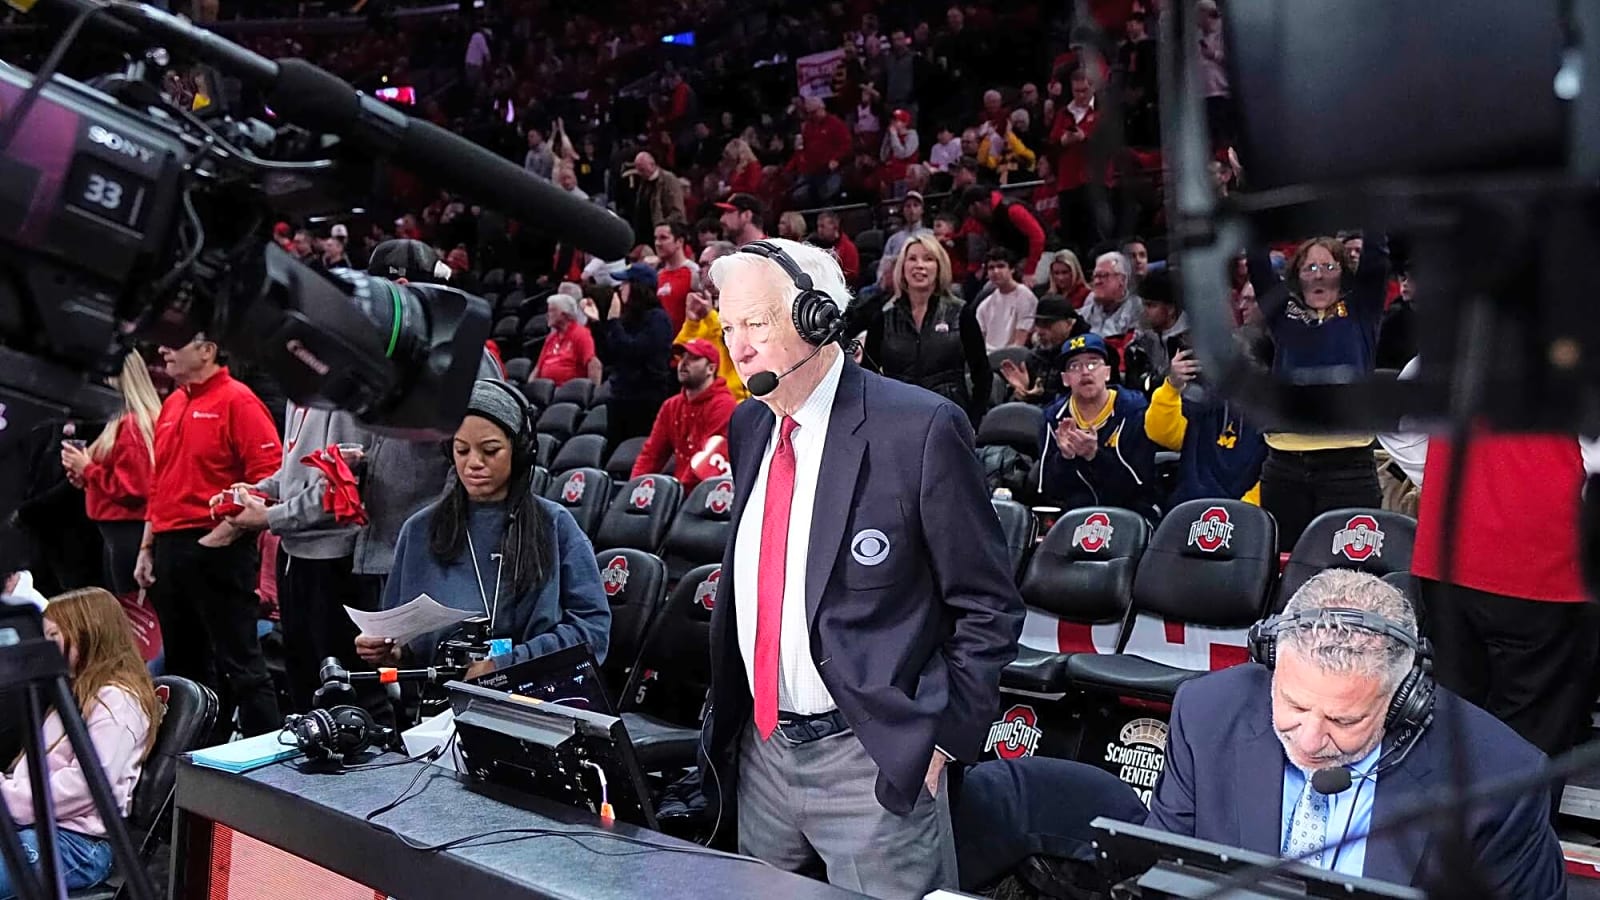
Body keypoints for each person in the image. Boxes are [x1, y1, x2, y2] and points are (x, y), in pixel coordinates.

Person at [702, 238, 1024, 898]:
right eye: (728, 326)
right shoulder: (748, 427)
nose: (738, 345)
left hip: (872, 759)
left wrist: (942, 742)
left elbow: (988, 603)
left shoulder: (920, 428)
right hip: (761, 752)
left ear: (818, 317)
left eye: (756, 323)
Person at [1146, 571, 1565, 898]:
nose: (1309, 742)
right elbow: (1161, 876)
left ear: (1405, 700)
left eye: (1344, 722)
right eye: (1294, 705)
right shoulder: (1206, 715)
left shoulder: (1503, 781)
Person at [355, 381, 610, 676]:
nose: (473, 463)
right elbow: (406, 651)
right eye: (461, 450)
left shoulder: (555, 524)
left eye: (490, 451)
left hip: (534, 699)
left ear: (520, 451)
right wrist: (391, 653)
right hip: (440, 706)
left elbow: (592, 631)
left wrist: (505, 665)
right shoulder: (419, 531)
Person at [1413, 430, 1600, 766]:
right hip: (1543, 561)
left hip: (1448, 556)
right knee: (1531, 739)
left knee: (1452, 723)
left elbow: (1398, 422)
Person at [135, 333, 281, 739]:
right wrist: (147, 547)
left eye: (174, 342)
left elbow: (269, 478)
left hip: (218, 548)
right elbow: (159, 480)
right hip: (169, 547)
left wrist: (224, 534)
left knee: (241, 665)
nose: (162, 348)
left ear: (207, 349)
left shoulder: (239, 401)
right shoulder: (173, 403)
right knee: (183, 667)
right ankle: (191, 762)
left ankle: (265, 769)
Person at [0, 588, 162, 898]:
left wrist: (9, 799)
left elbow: (86, 785)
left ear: (89, 631)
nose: (43, 646)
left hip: (78, 843)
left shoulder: (118, 701)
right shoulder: (75, 692)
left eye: (53, 635)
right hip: (42, 826)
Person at [1248, 234, 1388, 551]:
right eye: (1309, 267)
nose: (1319, 274)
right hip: (1285, 465)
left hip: (1348, 468)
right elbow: (1258, 262)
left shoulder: (1361, 310)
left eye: (1328, 265)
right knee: (1282, 561)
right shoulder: (1282, 313)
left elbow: (1377, 258)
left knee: (1350, 567)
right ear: (1297, 275)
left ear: (1344, 272)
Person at [863, 234, 990, 426]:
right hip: (898, 419)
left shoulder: (961, 313)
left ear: (939, 267)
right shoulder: (883, 317)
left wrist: (973, 421)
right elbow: (867, 377)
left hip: (949, 419)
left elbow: (982, 374)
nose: (919, 265)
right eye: (912, 259)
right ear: (902, 267)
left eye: (928, 259)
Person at [59, 352, 158, 597]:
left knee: (130, 611)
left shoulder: (133, 426)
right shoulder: (122, 421)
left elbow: (135, 490)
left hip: (128, 532)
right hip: (117, 533)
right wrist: (86, 479)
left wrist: (88, 469)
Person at [1037, 333, 1159, 521]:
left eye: (1093, 363)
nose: (1085, 372)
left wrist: (1095, 456)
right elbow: (1046, 488)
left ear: (1108, 372)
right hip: (1073, 517)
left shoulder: (1135, 409)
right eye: (1075, 366)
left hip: (1129, 515)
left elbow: (1141, 484)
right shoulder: (1053, 417)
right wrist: (1065, 458)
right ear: (1065, 379)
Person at [1146, 347, 1267, 505]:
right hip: (1188, 508)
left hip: (1242, 515)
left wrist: (1243, 512)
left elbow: (1273, 477)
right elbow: (1162, 435)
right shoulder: (1202, 400)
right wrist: (1171, 387)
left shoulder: (1272, 414)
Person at [631, 340, 737, 490]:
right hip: (680, 490)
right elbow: (651, 455)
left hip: (709, 494)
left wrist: (676, 496)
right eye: (682, 357)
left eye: (693, 358)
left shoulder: (724, 405)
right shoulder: (671, 406)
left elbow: (707, 464)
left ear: (711, 369)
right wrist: (632, 489)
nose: (684, 363)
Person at [604, 263, 675, 451]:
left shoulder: (658, 319)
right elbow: (611, 353)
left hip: (644, 402)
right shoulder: (628, 319)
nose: (620, 288)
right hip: (621, 398)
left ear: (637, 287)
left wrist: (613, 321)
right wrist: (599, 324)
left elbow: (633, 351)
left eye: (625, 283)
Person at [677, 241, 750, 401]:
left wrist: (709, 316)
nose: (699, 270)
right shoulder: (702, 309)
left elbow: (734, 343)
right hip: (700, 400)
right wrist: (692, 322)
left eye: (705, 265)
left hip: (734, 402)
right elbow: (677, 356)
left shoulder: (745, 303)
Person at [996, 296, 1089, 406]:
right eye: (1038, 324)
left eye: (1047, 325)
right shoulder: (1035, 357)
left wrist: (1039, 398)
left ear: (1069, 324)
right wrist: (1022, 392)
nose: (1040, 331)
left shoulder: (1085, 355)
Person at [958, 186, 1046, 281]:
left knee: (1026, 282)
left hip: (1043, 251)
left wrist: (1029, 271)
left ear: (976, 206)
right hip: (1018, 257)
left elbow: (1038, 237)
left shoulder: (1012, 210)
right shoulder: (987, 218)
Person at [974, 248, 1038, 352]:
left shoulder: (1025, 296)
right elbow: (979, 341)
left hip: (1012, 357)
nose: (996, 271)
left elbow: (1019, 343)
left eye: (1001, 266)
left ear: (1012, 269)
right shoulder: (985, 305)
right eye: (991, 268)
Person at [533, 293, 601, 386]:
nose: (548, 315)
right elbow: (537, 369)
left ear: (565, 314)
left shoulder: (581, 334)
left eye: (552, 311)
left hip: (568, 393)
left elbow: (594, 365)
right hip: (545, 392)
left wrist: (592, 393)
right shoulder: (551, 338)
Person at [653, 221, 701, 331]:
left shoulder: (693, 271)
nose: (657, 243)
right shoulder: (658, 275)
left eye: (663, 238)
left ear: (679, 241)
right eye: (656, 238)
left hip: (687, 341)